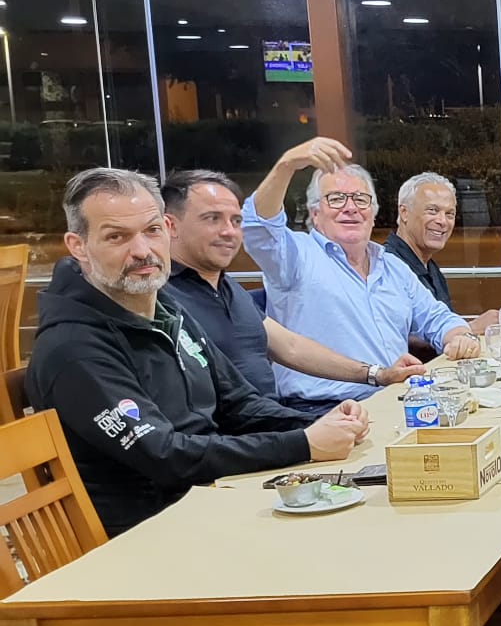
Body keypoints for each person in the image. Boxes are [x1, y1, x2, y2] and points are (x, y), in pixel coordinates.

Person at [30, 168, 369, 537]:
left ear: (167, 229)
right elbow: (164, 455)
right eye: (116, 237)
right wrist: (302, 444)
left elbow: (238, 403)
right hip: (151, 533)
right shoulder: (72, 348)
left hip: (214, 498)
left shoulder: (166, 309)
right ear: (78, 246)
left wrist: (320, 423)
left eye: (151, 230)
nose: (142, 251)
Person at [242, 139, 483, 414]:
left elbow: (437, 318)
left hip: (395, 400)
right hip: (324, 411)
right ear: (315, 214)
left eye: (360, 199)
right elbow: (258, 227)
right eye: (336, 198)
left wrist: (460, 337)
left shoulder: (392, 266)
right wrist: (286, 165)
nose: (350, 207)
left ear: (373, 214)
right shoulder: (293, 257)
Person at [161, 169, 427, 406]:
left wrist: (378, 375)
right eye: (212, 219)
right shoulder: (160, 301)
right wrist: (289, 164)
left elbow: (291, 347)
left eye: (236, 221)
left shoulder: (229, 290)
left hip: (281, 420)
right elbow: (262, 227)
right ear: (169, 227)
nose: (229, 231)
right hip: (298, 414)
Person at [381, 171, 498, 334]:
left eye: (449, 214)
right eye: (432, 210)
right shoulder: (386, 267)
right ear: (404, 213)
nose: (442, 221)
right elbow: (394, 337)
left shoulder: (429, 267)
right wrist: (469, 329)